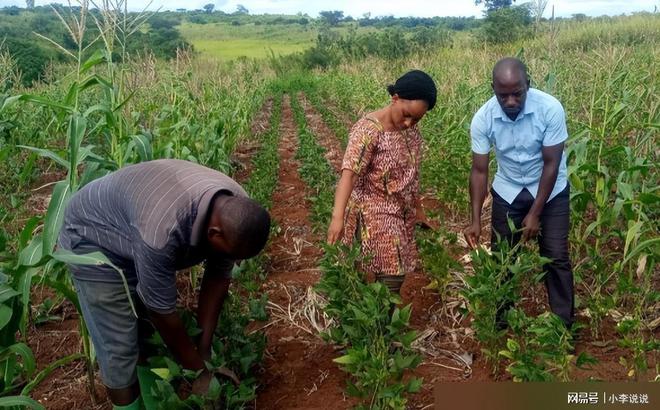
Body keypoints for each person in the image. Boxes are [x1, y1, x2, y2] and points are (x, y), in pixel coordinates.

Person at [58, 159, 271, 410]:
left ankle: (153, 402)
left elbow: (218, 278)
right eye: (229, 254)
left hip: (135, 226)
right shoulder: (161, 232)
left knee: (147, 337)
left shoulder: (239, 210)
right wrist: (198, 371)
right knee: (120, 347)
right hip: (93, 237)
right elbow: (160, 310)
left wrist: (203, 353)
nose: (230, 260)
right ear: (214, 233)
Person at [463, 57, 574, 328]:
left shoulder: (550, 109)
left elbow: (551, 163)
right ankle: (502, 325)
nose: (511, 101)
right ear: (493, 89)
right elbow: (479, 171)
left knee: (556, 256)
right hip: (509, 188)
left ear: (529, 85)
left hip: (550, 189)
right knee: (503, 258)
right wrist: (475, 219)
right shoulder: (483, 118)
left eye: (517, 93)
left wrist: (536, 213)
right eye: (503, 96)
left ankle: (562, 330)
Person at [327, 69, 437, 296]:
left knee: (389, 269)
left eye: (417, 118)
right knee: (391, 273)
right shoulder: (369, 130)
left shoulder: (411, 132)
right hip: (373, 209)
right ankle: (382, 323)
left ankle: (377, 319)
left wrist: (418, 211)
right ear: (395, 98)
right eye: (406, 115)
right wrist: (337, 218)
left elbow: (412, 176)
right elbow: (348, 175)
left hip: (401, 210)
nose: (409, 123)